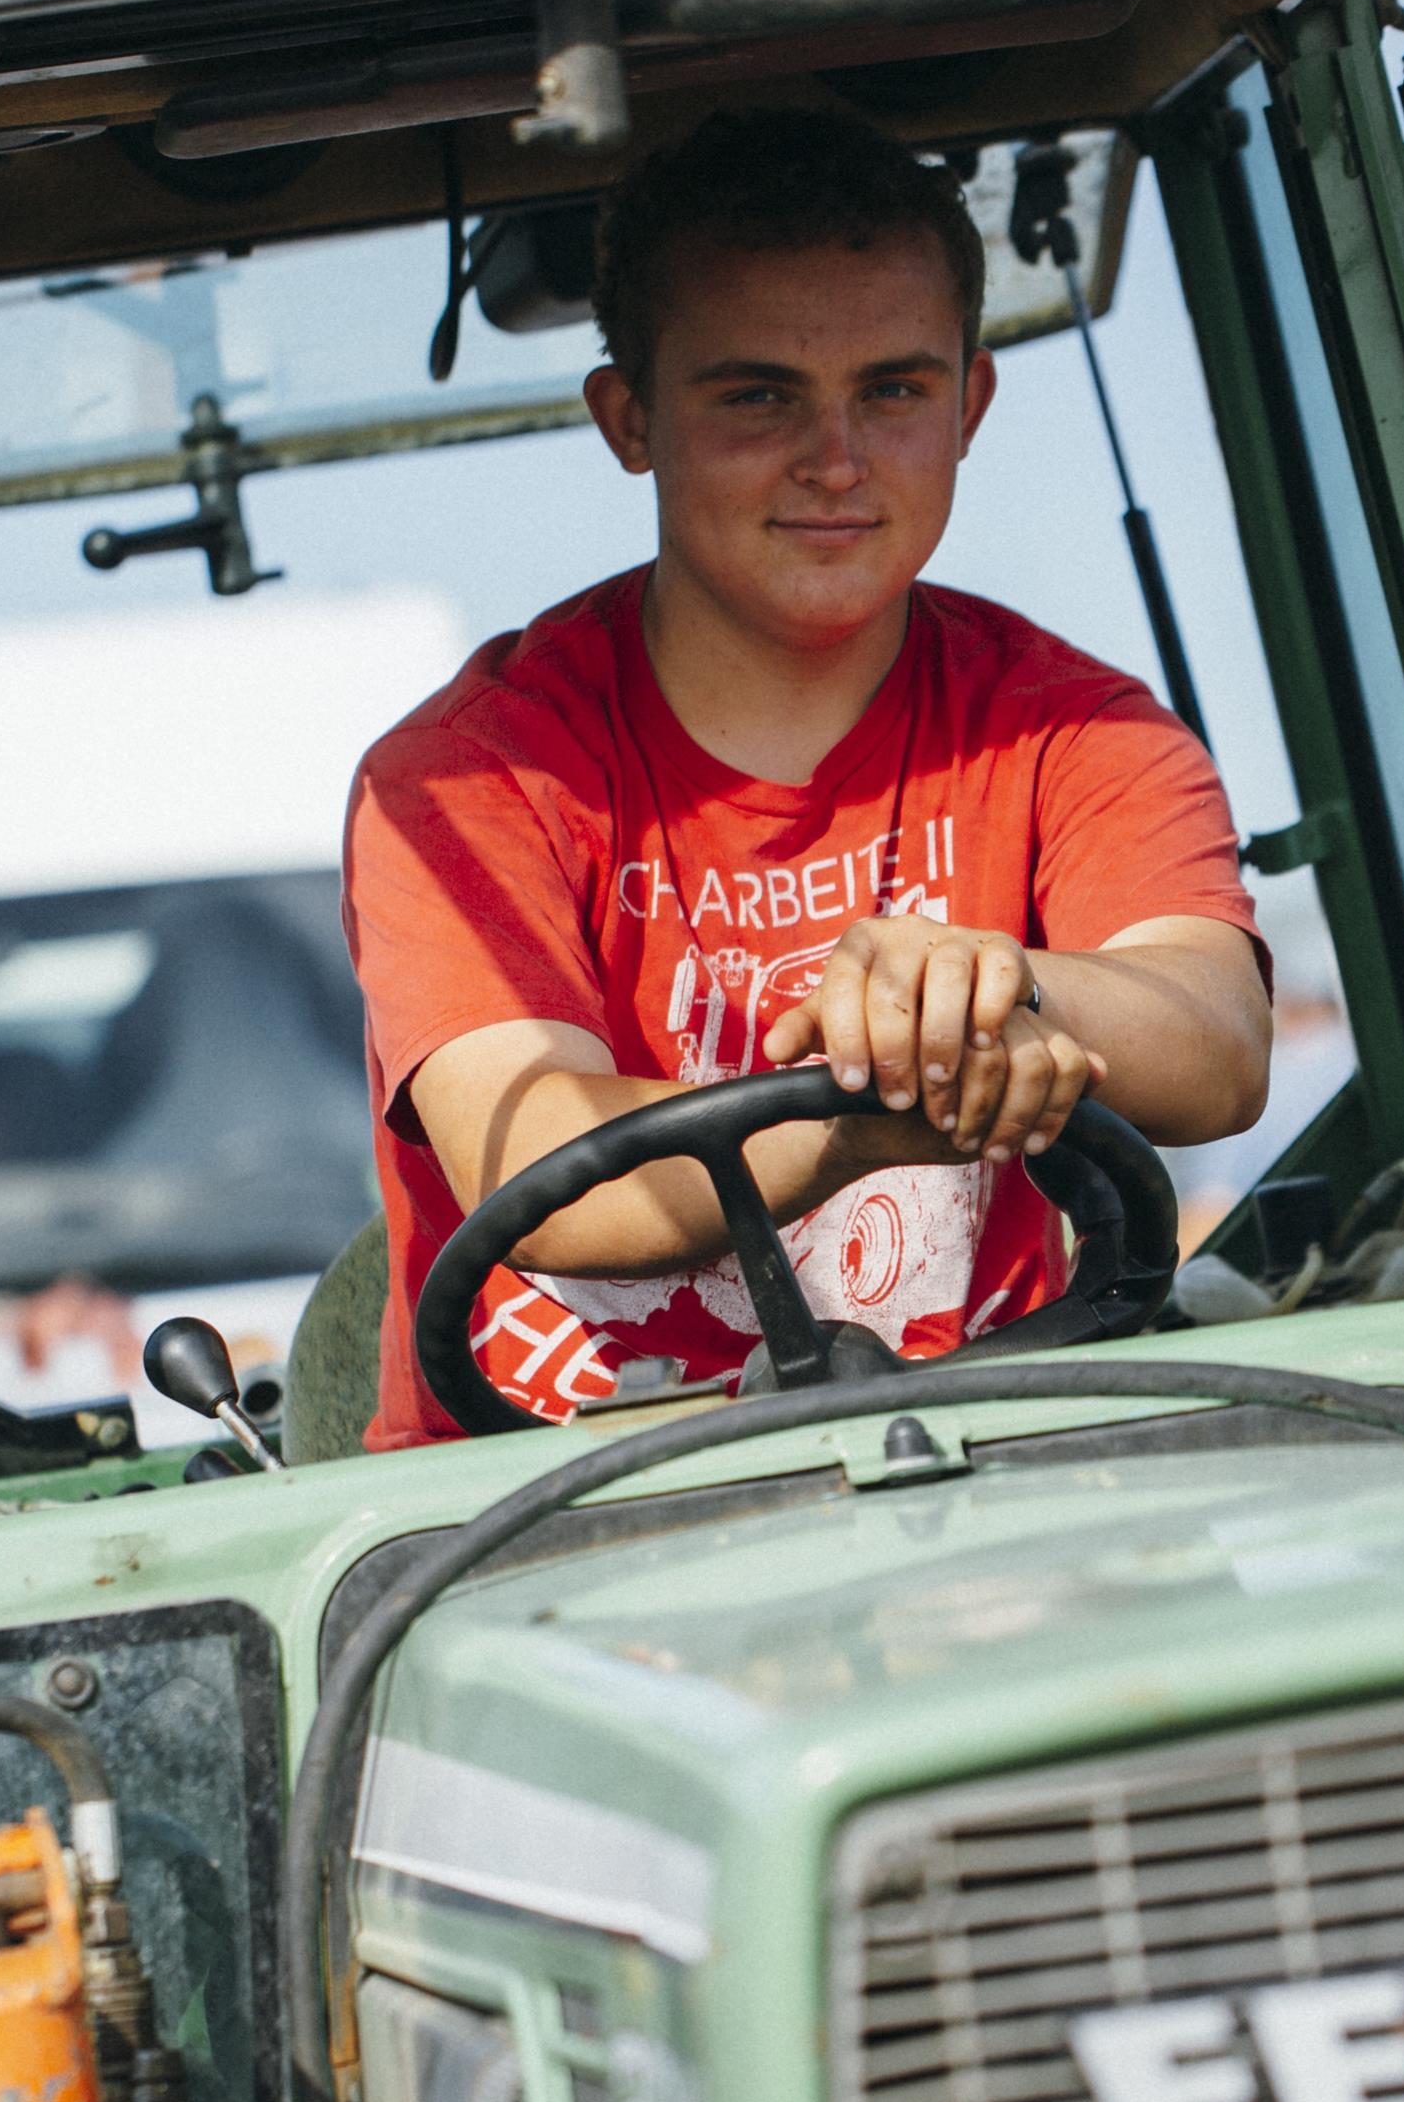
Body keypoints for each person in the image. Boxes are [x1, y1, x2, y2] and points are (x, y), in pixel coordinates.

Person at [342, 106, 1273, 1447]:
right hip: (537, 1515)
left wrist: (988, 991)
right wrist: (861, 1115)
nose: (836, 462)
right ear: (630, 419)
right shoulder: (463, 782)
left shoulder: (1080, 732)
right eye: (758, 396)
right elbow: (533, 1166)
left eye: (893, 390)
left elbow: (1220, 1044)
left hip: (985, 1461)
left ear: (970, 404)